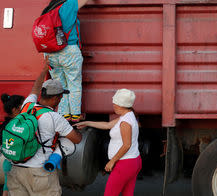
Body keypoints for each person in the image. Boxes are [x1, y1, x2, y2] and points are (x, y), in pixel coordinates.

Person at [7, 62, 82, 196]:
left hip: (16, 170)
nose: (60, 99)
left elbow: (35, 88)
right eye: (60, 97)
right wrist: (76, 129)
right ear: (55, 98)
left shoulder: (27, 104)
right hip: (39, 173)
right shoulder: (54, 117)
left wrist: (44, 71)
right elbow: (76, 140)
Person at [75, 89, 141, 196]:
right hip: (133, 162)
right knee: (127, 194)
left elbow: (127, 145)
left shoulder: (125, 122)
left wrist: (112, 161)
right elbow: (107, 125)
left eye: (115, 104)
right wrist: (87, 123)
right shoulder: (128, 115)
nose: (113, 106)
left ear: (121, 105)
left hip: (124, 164)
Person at [44, 0, 94, 122]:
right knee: (74, 83)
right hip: (69, 50)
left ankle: (64, 114)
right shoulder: (69, 4)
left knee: (60, 84)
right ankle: (75, 114)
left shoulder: (47, 10)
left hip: (50, 53)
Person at [0, 93, 25, 196]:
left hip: (7, 163)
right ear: (15, 110)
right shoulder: (17, 126)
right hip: (14, 165)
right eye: (23, 106)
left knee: (6, 187)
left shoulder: (4, 125)